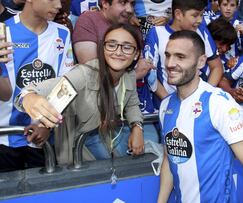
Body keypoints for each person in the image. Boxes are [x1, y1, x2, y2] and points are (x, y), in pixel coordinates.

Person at [16, 24, 148, 164]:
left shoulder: (129, 75)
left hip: (108, 136)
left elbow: (132, 104)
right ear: (103, 48)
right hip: (79, 145)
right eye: (111, 45)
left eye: (127, 47)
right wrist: (29, 99)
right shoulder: (83, 75)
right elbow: (32, 92)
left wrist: (137, 127)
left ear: (136, 54)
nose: (118, 52)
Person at [157, 30, 243, 203]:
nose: (170, 63)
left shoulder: (219, 102)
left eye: (180, 57)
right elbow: (170, 160)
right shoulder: (165, 106)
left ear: (200, 62)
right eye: (167, 55)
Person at [0, 0, 73, 172]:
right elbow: (4, 94)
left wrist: (46, 125)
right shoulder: (4, 32)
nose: (58, 5)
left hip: (43, 138)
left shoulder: (63, 33)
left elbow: (66, 83)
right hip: (5, 137)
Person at [144, 0, 223, 98]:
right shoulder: (156, 33)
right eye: (195, 15)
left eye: (202, 15)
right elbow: (150, 74)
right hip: (164, 104)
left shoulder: (201, 30)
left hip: (198, 105)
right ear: (178, 14)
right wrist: (169, 101)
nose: (200, 20)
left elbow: (217, 67)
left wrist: (204, 96)